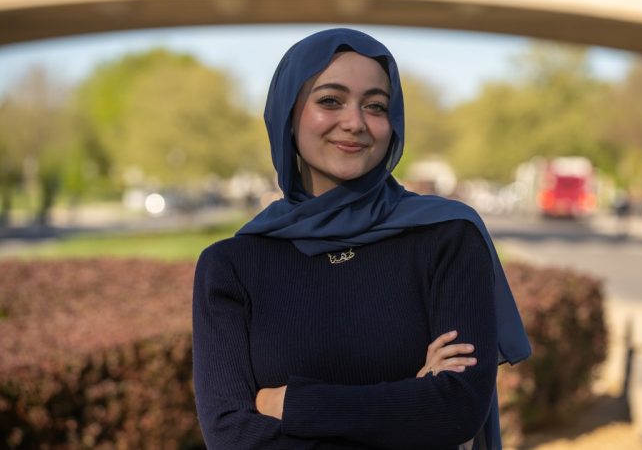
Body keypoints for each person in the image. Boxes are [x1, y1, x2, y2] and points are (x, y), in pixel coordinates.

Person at [192, 28, 531, 449]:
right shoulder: (231, 266)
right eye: (330, 100)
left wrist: (293, 405)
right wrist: (411, 401)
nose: (354, 123)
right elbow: (230, 435)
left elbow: (456, 410)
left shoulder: (446, 237)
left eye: (375, 106)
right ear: (288, 114)